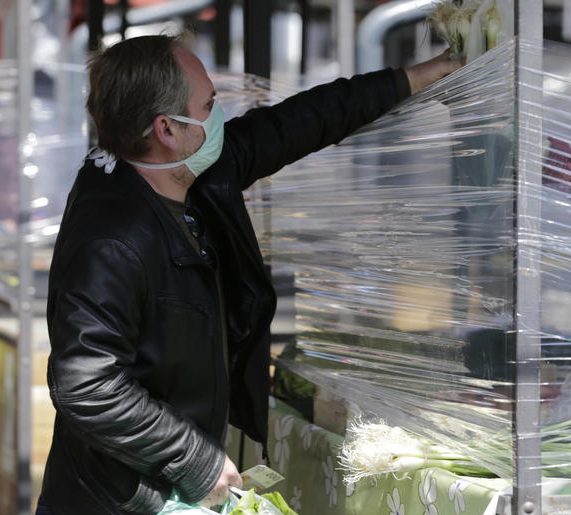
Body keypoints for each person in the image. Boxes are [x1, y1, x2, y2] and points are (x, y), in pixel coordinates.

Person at [39, 33, 459, 514]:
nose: (219, 116)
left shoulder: (188, 176)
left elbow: (291, 125)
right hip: (118, 501)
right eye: (209, 104)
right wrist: (193, 459)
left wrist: (411, 78)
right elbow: (87, 386)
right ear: (166, 130)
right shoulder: (113, 240)